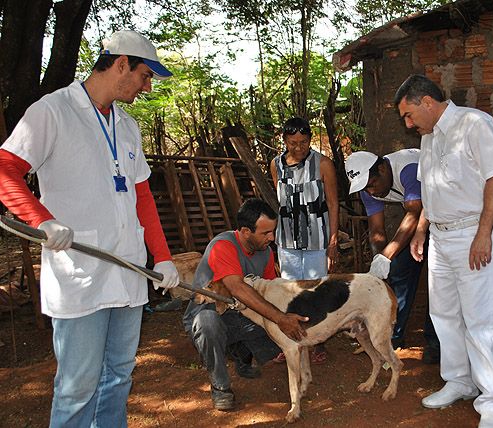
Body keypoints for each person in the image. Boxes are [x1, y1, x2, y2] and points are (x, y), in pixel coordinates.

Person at [0, 30, 181, 427]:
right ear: (121, 64)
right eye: (145, 75)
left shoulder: (128, 126)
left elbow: (143, 199)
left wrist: (163, 257)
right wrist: (41, 220)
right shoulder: (52, 111)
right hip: (80, 273)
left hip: (129, 271)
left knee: (119, 376)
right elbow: (5, 170)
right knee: (77, 386)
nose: (148, 86)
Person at [394, 74, 493, 428]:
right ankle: (459, 381)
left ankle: (492, 401)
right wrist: (421, 230)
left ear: (427, 101)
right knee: (444, 315)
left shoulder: (474, 123)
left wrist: (484, 234)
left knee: (481, 319)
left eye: (409, 115)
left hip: (473, 233)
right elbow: (432, 190)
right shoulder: (429, 138)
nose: (409, 124)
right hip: (440, 240)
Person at [182, 198, 308, 410]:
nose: (272, 238)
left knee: (274, 325)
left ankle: (242, 354)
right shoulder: (222, 246)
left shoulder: (266, 251)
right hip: (210, 312)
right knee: (208, 324)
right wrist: (280, 318)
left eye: (273, 231)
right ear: (245, 232)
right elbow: (238, 288)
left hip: (239, 312)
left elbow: (270, 290)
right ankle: (220, 387)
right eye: (266, 233)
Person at [345, 149, 440, 362]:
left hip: (443, 219)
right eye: (364, 188)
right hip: (417, 223)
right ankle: (392, 337)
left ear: (381, 169)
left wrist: (386, 256)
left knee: (438, 282)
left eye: (372, 185)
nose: (370, 192)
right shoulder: (367, 188)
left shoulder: (408, 168)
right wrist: (381, 261)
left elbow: (415, 211)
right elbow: (376, 230)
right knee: (398, 273)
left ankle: (435, 343)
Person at [269, 116, 339, 364]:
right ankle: (291, 340)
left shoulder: (323, 164)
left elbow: (332, 203)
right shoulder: (276, 165)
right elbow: (282, 202)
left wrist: (332, 241)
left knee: (314, 290)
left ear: (310, 139)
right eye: (292, 142)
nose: (298, 148)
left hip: (316, 238)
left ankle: (318, 342)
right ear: (284, 140)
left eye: (303, 142)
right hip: (286, 239)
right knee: (289, 291)